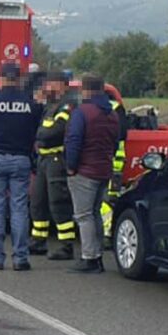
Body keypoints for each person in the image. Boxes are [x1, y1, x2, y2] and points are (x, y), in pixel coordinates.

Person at [0, 61, 42, 271]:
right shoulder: (31, 104)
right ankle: (20, 258)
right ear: (19, 79)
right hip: (21, 159)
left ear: (1, 79)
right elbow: (35, 131)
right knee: (19, 209)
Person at [65, 74, 121, 274]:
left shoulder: (83, 112)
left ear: (85, 90)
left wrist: (71, 166)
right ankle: (97, 257)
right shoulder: (112, 114)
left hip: (85, 170)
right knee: (95, 213)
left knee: (83, 215)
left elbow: (74, 140)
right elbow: (115, 142)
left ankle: (89, 258)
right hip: (103, 169)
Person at [29, 72, 79, 260]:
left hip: (57, 159)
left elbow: (55, 132)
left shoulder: (68, 104)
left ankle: (67, 246)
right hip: (43, 159)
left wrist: (41, 134)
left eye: (50, 85)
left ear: (61, 85)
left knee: (58, 202)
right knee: (38, 201)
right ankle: (38, 240)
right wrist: (41, 132)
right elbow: (41, 129)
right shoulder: (51, 106)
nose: (46, 88)